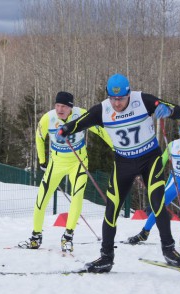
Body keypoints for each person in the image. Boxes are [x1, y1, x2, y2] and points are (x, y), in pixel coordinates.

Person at [58, 73, 180, 272]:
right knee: (112, 209)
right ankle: (106, 257)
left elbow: (179, 112)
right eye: (113, 98)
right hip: (123, 163)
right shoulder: (103, 109)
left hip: (149, 159)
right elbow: (80, 122)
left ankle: (169, 250)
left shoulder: (143, 100)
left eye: (121, 99)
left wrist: (168, 110)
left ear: (129, 93)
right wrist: (65, 129)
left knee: (157, 203)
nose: (117, 103)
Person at [19, 91, 113, 252]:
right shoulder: (48, 118)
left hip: (78, 163)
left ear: (71, 107)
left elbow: (101, 130)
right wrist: (42, 160)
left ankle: (68, 237)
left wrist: (115, 148)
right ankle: (36, 237)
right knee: (41, 198)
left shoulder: (81, 114)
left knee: (77, 198)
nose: (59, 109)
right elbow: (39, 137)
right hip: (56, 163)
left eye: (63, 106)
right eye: (57, 105)